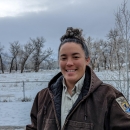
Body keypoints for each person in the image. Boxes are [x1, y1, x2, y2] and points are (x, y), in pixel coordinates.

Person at [26, 27, 130, 130]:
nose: (69, 63)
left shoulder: (109, 97)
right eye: (63, 58)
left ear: (87, 60)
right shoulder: (42, 97)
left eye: (75, 57)